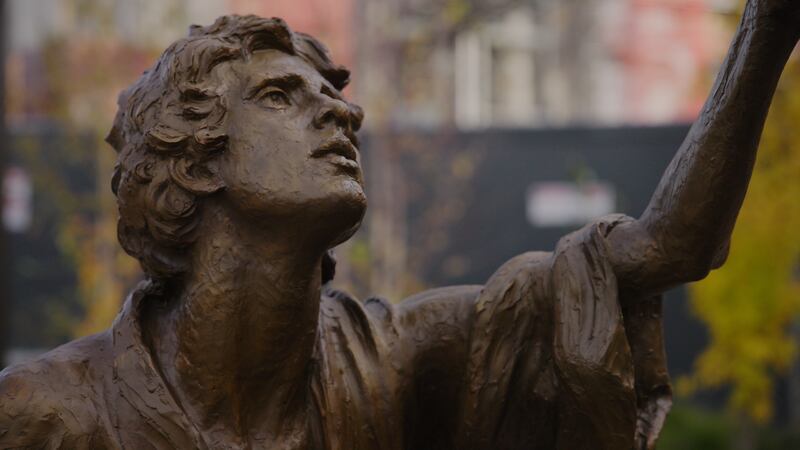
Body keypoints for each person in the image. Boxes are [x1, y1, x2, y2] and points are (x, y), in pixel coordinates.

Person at [1, 1, 798, 449]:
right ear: (195, 161)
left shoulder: (395, 364)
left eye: (335, 97)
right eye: (282, 96)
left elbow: (668, 247)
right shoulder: (50, 414)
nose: (342, 113)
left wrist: (767, 28)